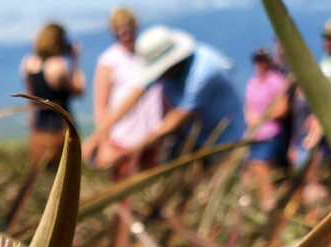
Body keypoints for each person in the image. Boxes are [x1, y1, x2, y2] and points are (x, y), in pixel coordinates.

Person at [88, 26, 245, 164]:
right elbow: (133, 98)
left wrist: (124, 154)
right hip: (194, 137)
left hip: (224, 140)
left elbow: (174, 121)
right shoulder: (170, 71)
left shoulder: (203, 72)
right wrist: (96, 140)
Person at [85, 7, 164, 174]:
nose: (124, 34)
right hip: (121, 139)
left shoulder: (148, 55)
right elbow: (101, 106)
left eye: (128, 29)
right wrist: (104, 143)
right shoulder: (108, 61)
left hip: (152, 137)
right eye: (118, 31)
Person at [21, 23, 85, 166]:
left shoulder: (27, 64)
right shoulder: (58, 66)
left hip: (39, 132)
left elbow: (30, 101)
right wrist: (76, 61)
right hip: (62, 132)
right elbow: (79, 90)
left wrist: (31, 131)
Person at [244, 47, 290, 204]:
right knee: (253, 167)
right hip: (255, 134)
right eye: (256, 60)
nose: (259, 63)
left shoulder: (276, 81)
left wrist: (262, 117)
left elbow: (283, 109)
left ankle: (269, 201)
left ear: (269, 61)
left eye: (262, 60)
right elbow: (248, 106)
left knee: (262, 164)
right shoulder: (252, 83)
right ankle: (261, 200)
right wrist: (252, 119)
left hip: (272, 132)